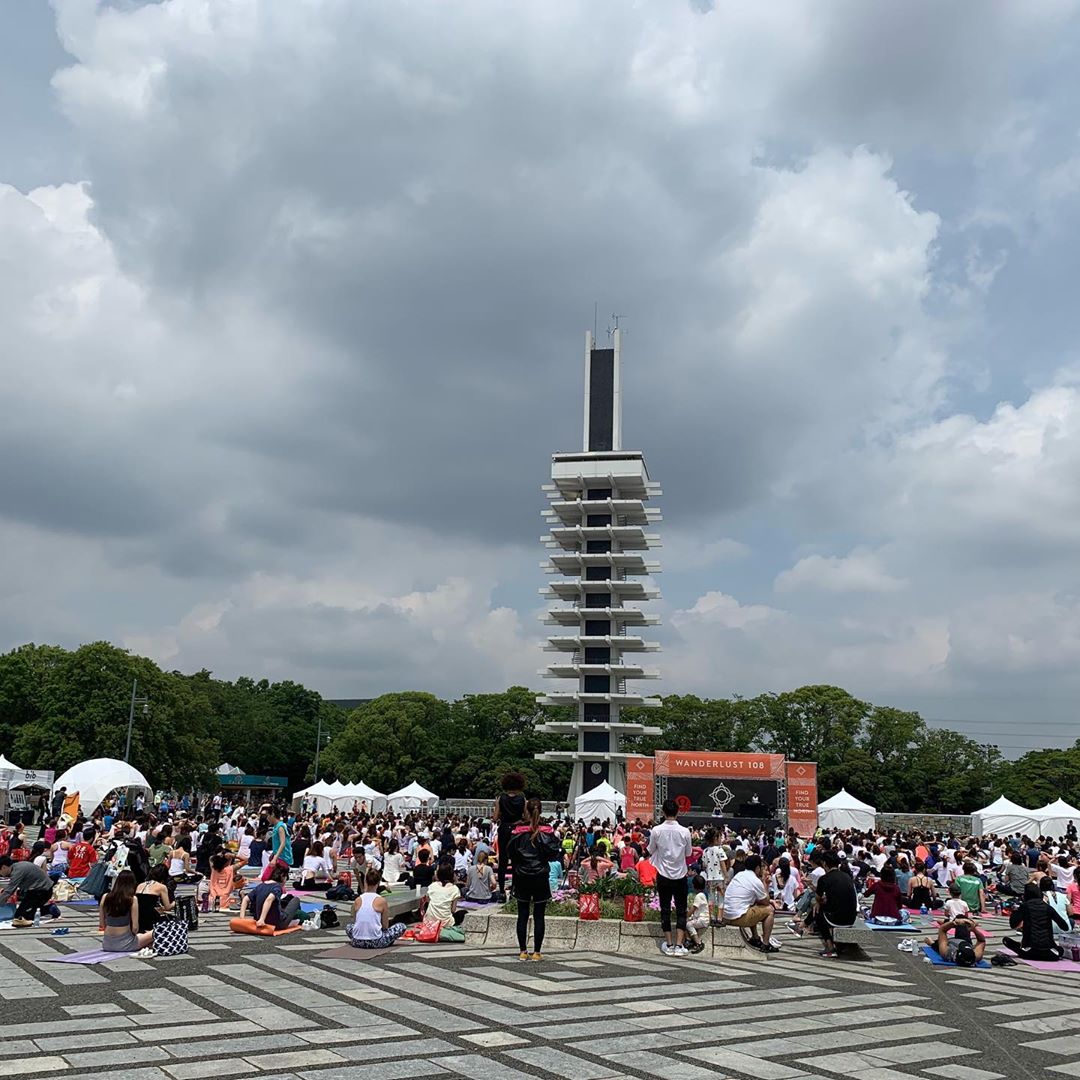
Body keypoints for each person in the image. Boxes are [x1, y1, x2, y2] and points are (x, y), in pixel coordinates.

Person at [506, 798, 562, 961]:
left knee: (522, 914)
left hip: (522, 875)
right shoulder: (547, 831)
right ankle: (537, 952)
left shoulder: (518, 831)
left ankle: (523, 951)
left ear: (526, 811)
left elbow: (511, 852)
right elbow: (553, 852)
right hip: (540, 875)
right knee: (539, 915)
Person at [648, 799, 693, 957]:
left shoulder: (656, 830)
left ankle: (668, 943)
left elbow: (651, 849)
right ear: (678, 812)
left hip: (663, 874)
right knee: (681, 910)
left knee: (665, 909)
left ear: (663, 812)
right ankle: (679, 945)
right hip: (680, 873)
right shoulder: (685, 831)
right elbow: (688, 853)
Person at [722, 853, 778, 953]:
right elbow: (765, 902)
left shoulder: (739, 875)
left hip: (726, 915)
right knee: (770, 910)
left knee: (753, 906)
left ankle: (755, 937)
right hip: (739, 917)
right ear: (757, 868)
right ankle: (765, 944)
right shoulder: (755, 880)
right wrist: (765, 884)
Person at [1003, 881, 1069, 961]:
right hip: (1050, 954)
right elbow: (1065, 927)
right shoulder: (1048, 908)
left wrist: (1015, 912)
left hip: (1029, 952)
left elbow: (1013, 924)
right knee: (1060, 950)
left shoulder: (1025, 906)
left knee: (1006, 940)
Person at [346, 867, 407, 949]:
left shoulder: (358, 899)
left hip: (356, 940)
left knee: (349, 926)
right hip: (376, 941)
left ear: (366, 882)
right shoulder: (381, 900)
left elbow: (355, 921)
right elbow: (385, 926)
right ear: (378, 883)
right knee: (401, 926)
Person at [814, 851, 858, 959]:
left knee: (817, 910)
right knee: (821, 906)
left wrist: (820, 902)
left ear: (824, 863)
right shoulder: (846, 876)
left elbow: (817, 898)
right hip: (851, 917)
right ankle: (803, 926)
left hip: (837, 918)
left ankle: (829, 946)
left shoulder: (824, 879)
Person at [99, 870, 154, 953]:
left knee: (142, 936)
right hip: (126, 943)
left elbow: (102, 924)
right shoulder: (132, 899)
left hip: (107, 943)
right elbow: (135, 928)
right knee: (155, 932)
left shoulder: (105, 897)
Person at [493, 772, 526, 898]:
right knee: (517, 860)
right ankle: (514, 890)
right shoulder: (522, 799)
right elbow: (526, 817)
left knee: (503, 860)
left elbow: (495, 818)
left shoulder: (501, 798)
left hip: (504, 828)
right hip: (517, 829)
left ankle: (501, 891)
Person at [240, 863, 299, 930]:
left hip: (259, 919)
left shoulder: (260, 885)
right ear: (282, 876)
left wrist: (242, 918)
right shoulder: (277, 887)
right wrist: (262, 919)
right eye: (286, 878)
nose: (285, 882)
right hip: (277, 924)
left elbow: (245, 899)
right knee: (296, 900)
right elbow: (269, 899)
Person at [0, 855, 55, 926]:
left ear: (4, 867)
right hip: (35, 890)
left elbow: (9, 890)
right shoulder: (17, 866)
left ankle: (48, 909)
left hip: (42, 891)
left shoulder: (17, 872)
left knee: (21, 917)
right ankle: (37, 908)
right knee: (19, 913)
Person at [134, 864, 174, 933]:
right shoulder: (162, 887)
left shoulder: (140, 885)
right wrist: (174, 903)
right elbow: (168, 907)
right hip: (150, 918)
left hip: (138, 917)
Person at [262, 808, 292, 882]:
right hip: (279, 856)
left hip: (283, 857)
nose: (267, 818)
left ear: (272, 815)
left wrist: (275, 858)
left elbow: (283, 843)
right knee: (270, 878)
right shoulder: (276, 826)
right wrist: (274, 854)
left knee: (270, 878)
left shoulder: (280, 827)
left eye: (268, 815)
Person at [685, 874, 709, 955]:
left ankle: (698, 943)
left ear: (694, 886)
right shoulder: (702, 895)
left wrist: (687, 916)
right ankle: (690, 940)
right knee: (689, 923)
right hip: (702, 919)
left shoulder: (699, 896)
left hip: (702, 920)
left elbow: (693, 909)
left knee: (688, 924)